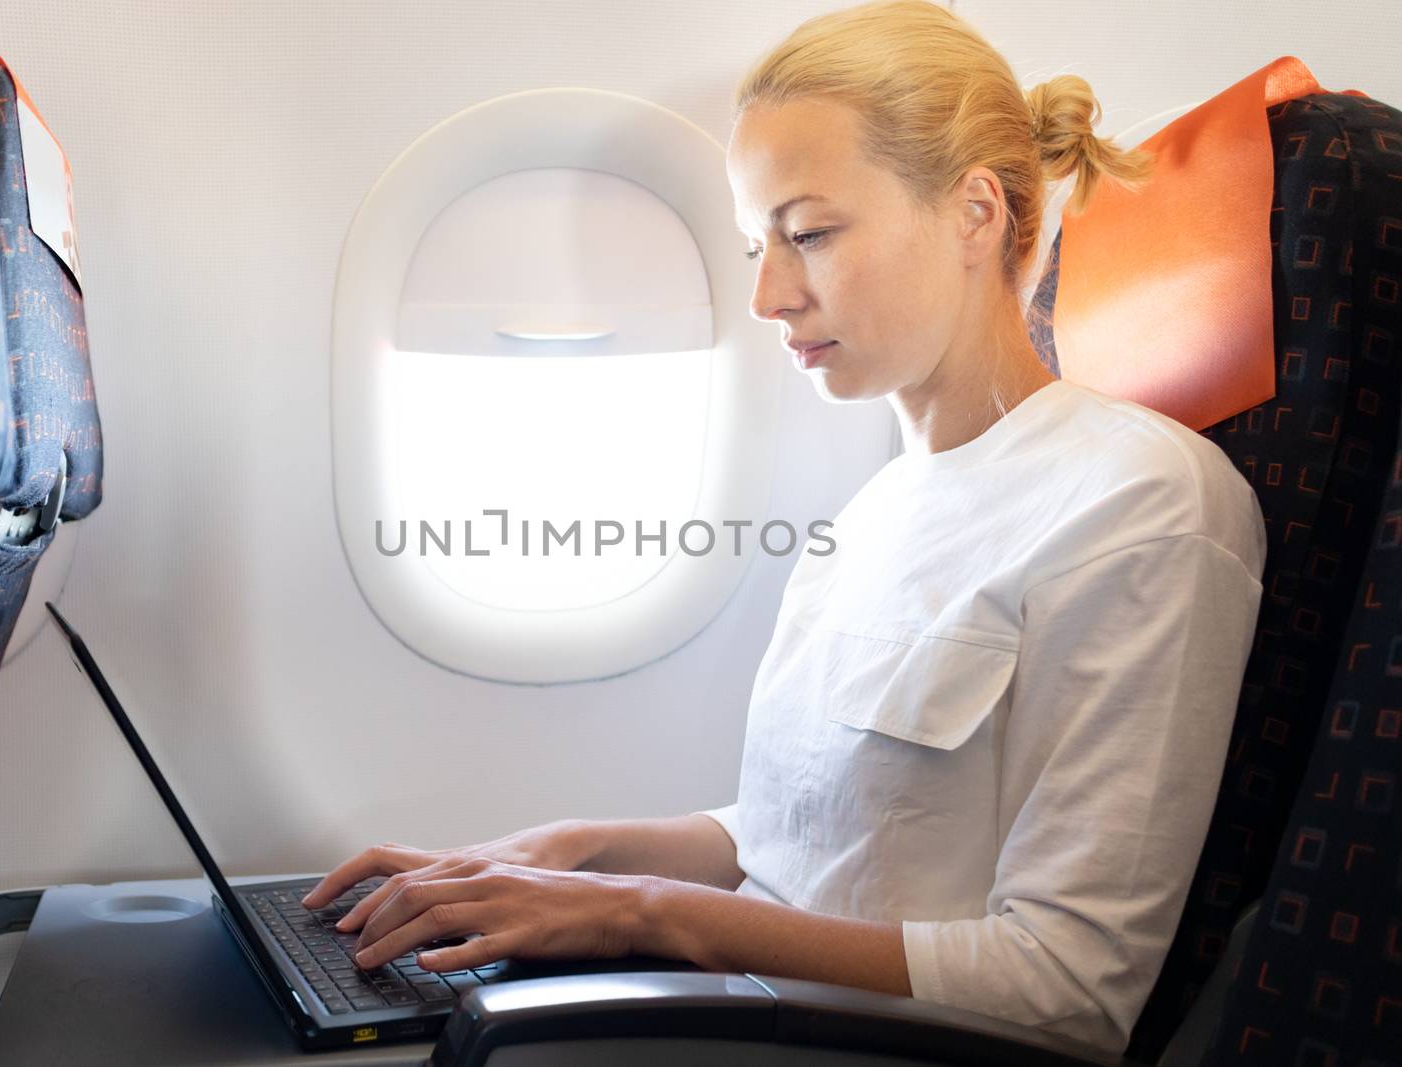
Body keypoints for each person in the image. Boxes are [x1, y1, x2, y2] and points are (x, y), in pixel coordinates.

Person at [302, 0, 1266, 1053]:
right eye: (757, 242)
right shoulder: (883, 506)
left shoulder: (1144, 504)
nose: (765, 293)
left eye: (808, 233)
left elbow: (1064, 986)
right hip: (753, 1016)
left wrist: (641, 913)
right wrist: (572, 853)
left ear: (973, 213)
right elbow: (805, 844)